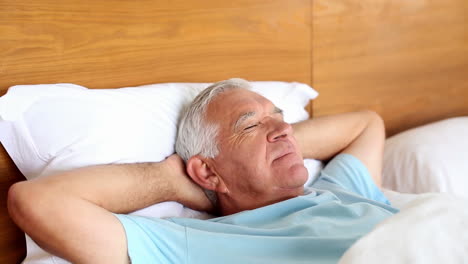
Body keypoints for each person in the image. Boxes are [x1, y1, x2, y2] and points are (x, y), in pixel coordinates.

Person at [8, 78, 398, 264]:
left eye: (280, 120)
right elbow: (36, 200)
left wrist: (281, 145)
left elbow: (366, 123)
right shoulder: (194, 244)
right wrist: (173, 183)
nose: (283, 129)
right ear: (208, 172)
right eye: (250, 125)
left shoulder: (341, 190)